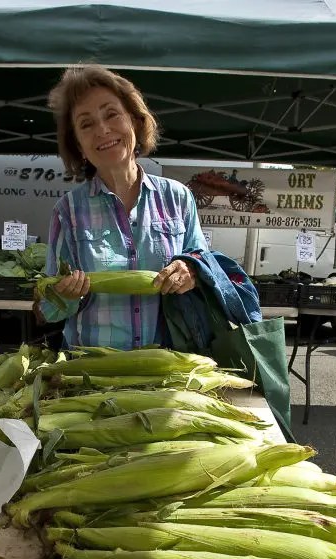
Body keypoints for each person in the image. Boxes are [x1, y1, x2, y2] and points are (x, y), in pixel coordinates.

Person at [38, 63, 209, 349]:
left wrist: (191, 271)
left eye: (111, 114)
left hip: (167, 367)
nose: (103, 130)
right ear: (78, 145)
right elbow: (46, 308)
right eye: (86, 124)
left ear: (135, 121)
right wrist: (63, 297)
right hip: (94, 373)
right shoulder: (67, 211)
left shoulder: (178, 198)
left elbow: (203, 266)